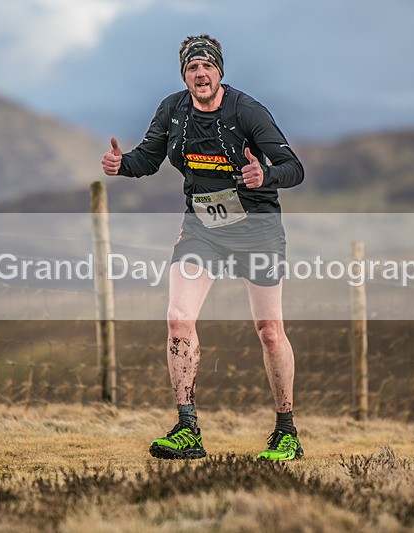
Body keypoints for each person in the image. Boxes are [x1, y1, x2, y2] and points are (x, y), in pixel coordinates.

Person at [101, 35, 305, 461]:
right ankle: (187, 428)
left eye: (207, 66)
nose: (200, 74)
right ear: (184, 75)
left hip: (257, 229)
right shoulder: (173, 110)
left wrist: (263, 177)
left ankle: (286, 432)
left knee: (269, 332)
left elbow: (293, 168)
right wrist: (122, 166)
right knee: (178, 319)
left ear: (219, 71)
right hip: (203, 229)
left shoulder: (246, 111)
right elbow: (148, 159)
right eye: (192, 68)